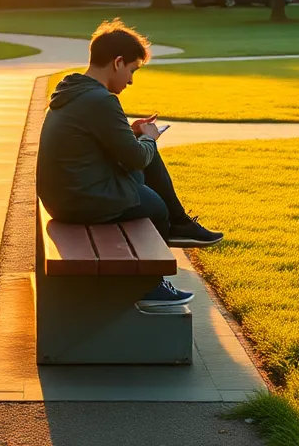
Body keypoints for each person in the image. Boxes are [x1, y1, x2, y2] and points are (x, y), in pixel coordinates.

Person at [37, 19, 224, 308]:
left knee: (145, 166)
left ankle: (179, 224)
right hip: (81, 200)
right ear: (118, 62)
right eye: (132, 71)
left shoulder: (75, 90)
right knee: (155, 207)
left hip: (66, 195)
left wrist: (135, 132)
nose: (131, 80)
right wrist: (149, 138)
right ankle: (150, 285)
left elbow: (106, 143)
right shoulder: (100, 100)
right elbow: (135, 157)